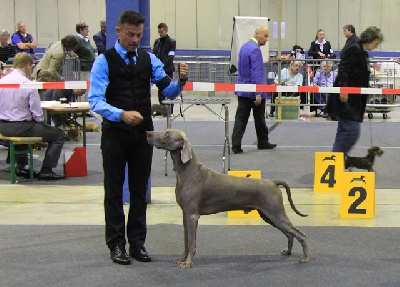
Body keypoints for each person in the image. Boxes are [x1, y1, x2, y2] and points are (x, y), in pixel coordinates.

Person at [88, 10, 189, 265]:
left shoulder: (149, 59)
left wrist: (182, 81)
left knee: (139, 192)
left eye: (139, 35)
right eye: (130, 34)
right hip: (114, 135)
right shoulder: (103, 61)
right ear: (118, 31)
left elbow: (168, 90)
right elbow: (95, 101)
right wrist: (120, 114)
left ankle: (137, 244)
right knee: (113, 191)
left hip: (143, 136)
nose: (134, 39)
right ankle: (116, 245)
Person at [0, 53, 66, 180]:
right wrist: (40, 123)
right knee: (58, 135)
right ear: (28, 65)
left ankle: (21, 166)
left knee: (25, 126)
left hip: (2, 125)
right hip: (20, 126)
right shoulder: (28, 84)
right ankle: (47, 169)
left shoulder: (2, 82)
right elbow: (37, 113)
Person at [326, 26, 383, 155]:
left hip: (354, 97)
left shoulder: (362, 51)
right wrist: (344, 88)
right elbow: (344, 69)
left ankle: (337, 161)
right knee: (351, 131)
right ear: (370, 39)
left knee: (345, 130)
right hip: (347, 97)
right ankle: (337, 159)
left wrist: (365, 85)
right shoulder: (354, 49)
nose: (376, 46)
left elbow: (357, 73)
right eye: (376, 43)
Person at [231, 26, 277, 154]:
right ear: (257, 34)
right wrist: (258, 93)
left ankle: (236, 144)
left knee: (241, 118)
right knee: (259, 117)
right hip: (254, 90)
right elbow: (256, 73)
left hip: (242, 88)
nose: (267, 39)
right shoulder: (255, 50)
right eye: (265, 36)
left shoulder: (244, 47)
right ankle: (262, 141)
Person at [152, 23, 176, 115]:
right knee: (160, 90)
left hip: (168, 69)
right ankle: (161, 109)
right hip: (158, 70)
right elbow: (154, 54)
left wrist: (163, 66)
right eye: (159, 32)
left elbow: (171, 56)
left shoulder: (171, 42)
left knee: (169, 89)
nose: (160, 34)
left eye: (161, 32)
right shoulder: (157, 42)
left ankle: (169, 110)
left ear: (166, 31)